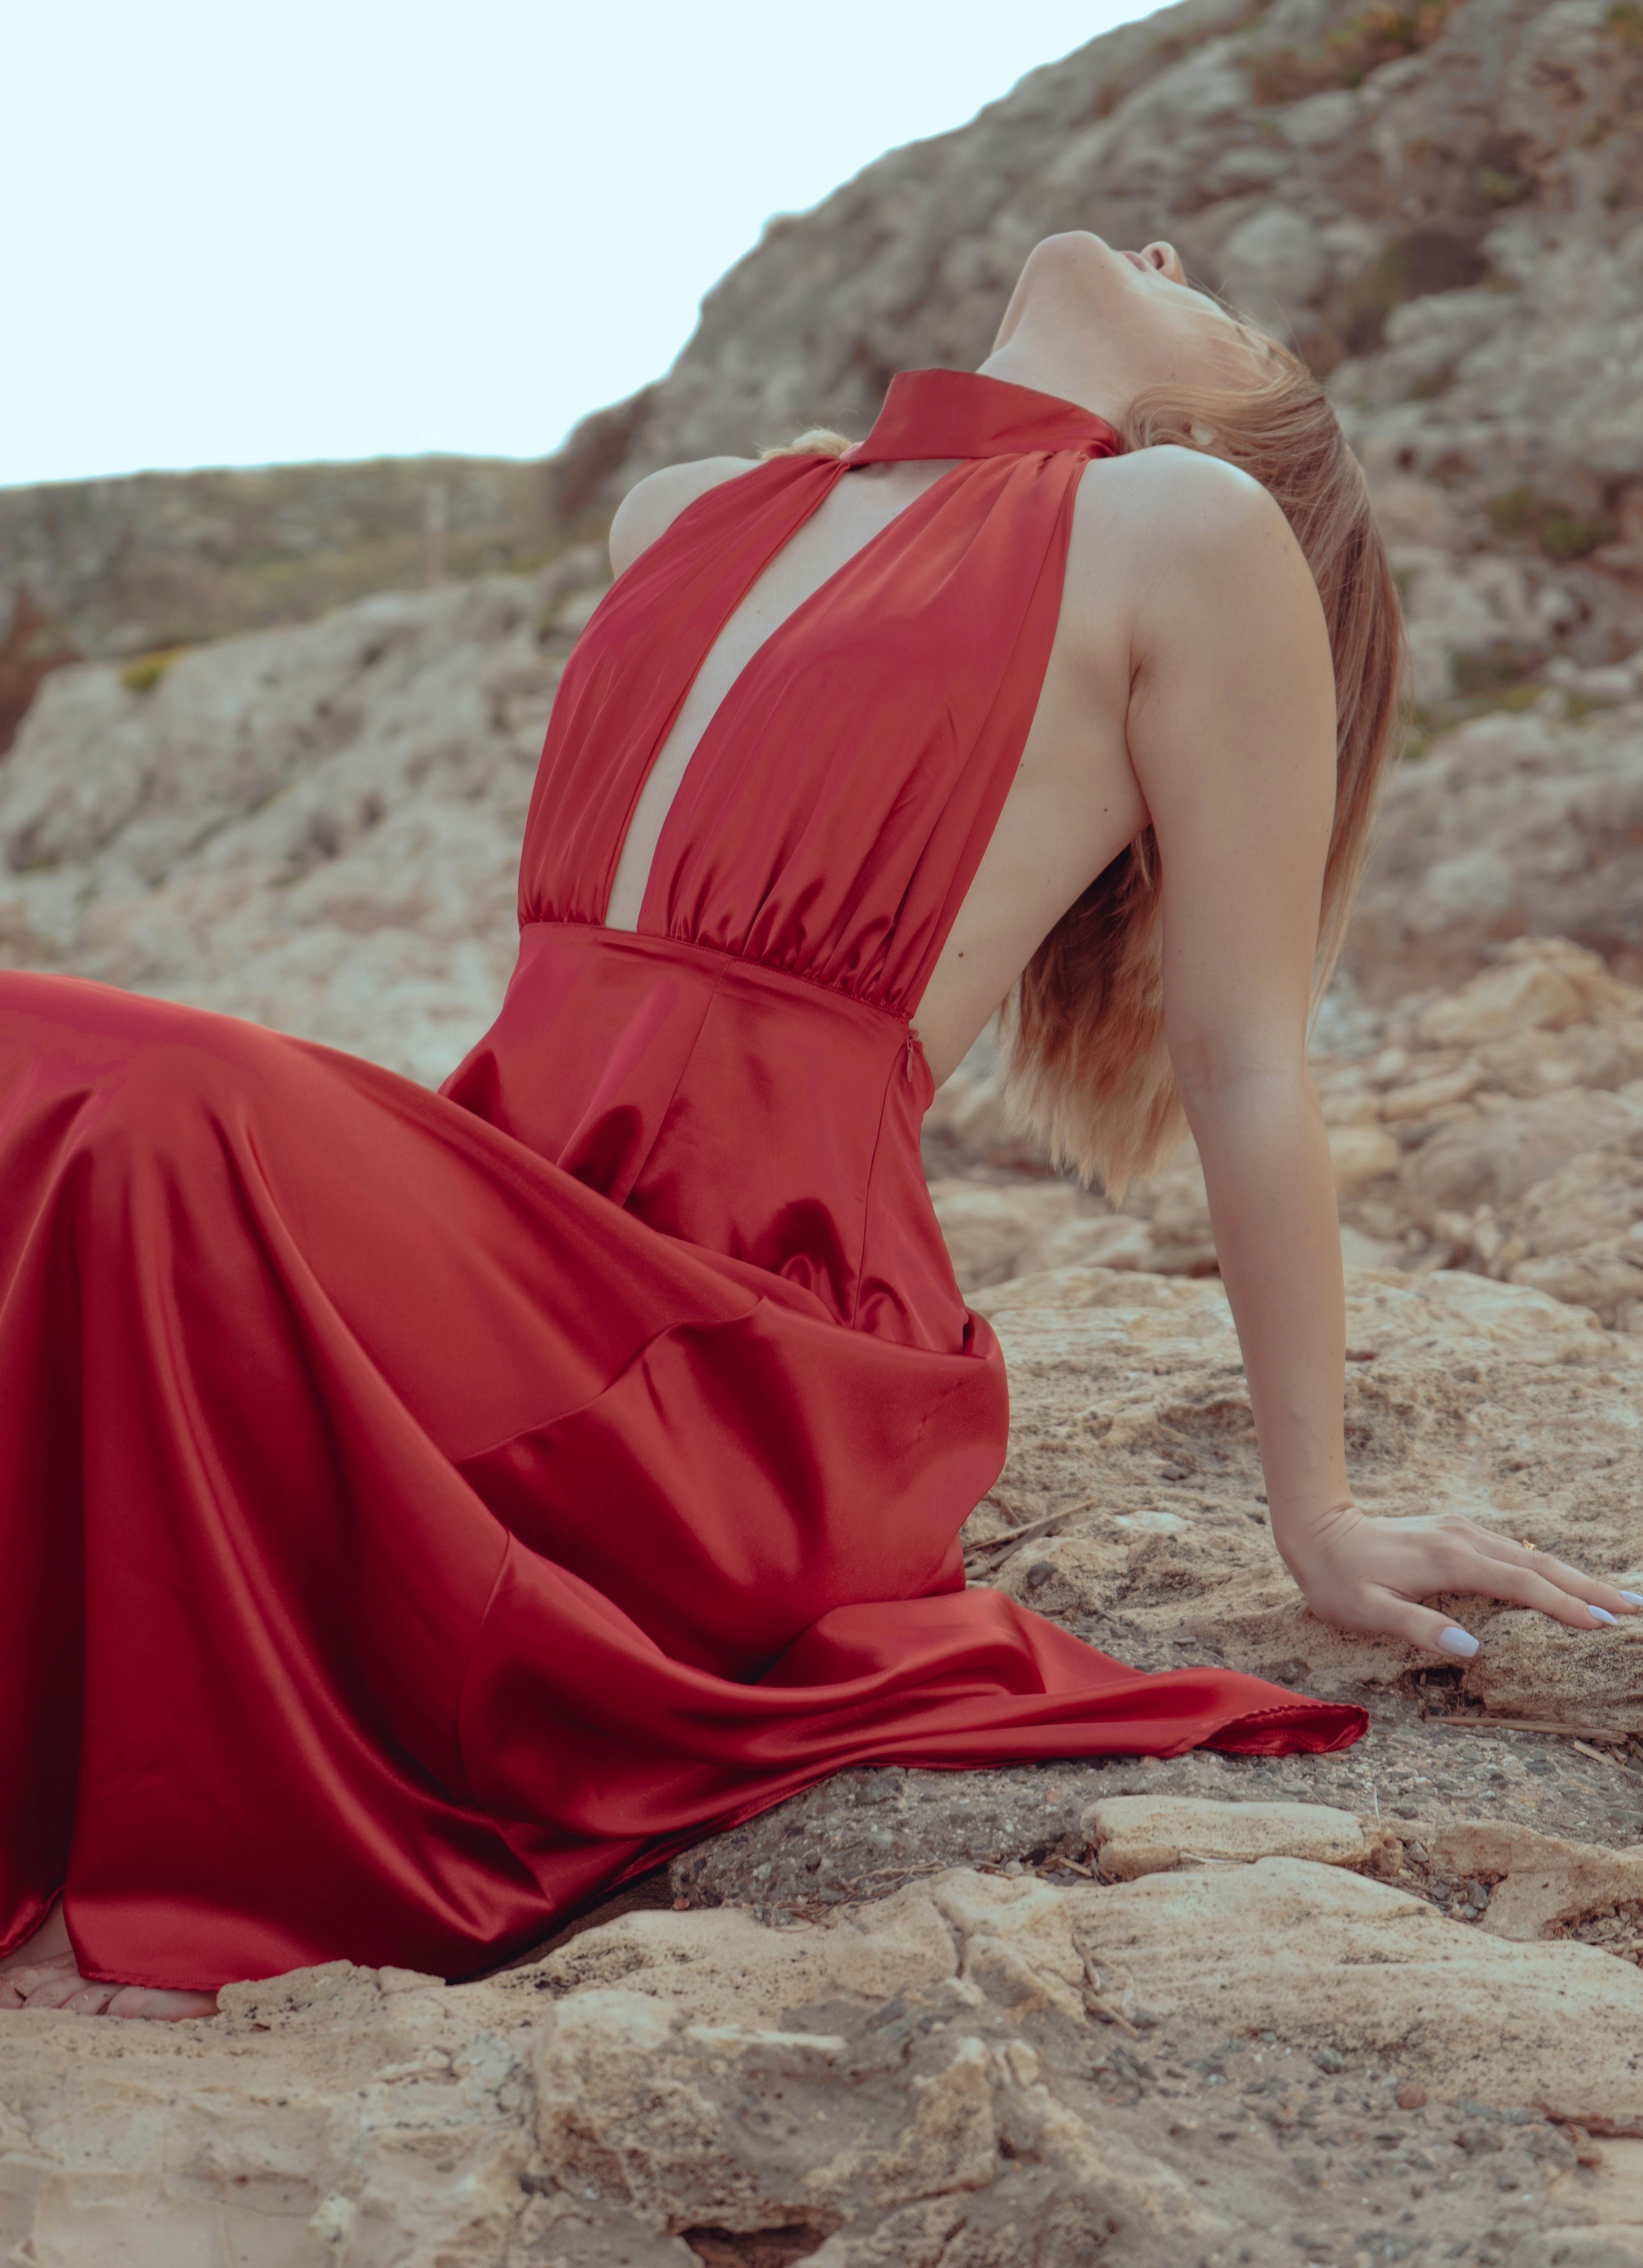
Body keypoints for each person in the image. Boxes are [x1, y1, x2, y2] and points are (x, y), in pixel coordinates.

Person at [2, 233, 1632, 2024]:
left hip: (739, 1357)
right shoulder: (691, 507)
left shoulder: (1187, 530)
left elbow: (1247, 1061)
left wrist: (1316, 1518)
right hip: (508, 1258)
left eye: (1232, 308)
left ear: (1219, 421)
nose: (1168, 253)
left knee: (146, 1095)